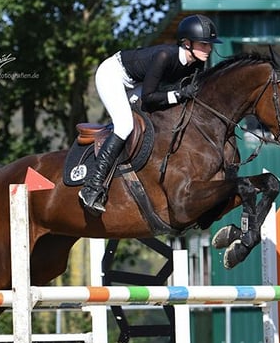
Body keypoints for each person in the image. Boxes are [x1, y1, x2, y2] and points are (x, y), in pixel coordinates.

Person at [78, 14, 222, 215]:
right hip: (113, 75)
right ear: (187, 43)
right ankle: (92, 187)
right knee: (124, 125)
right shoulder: (165, 56)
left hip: (139, 84)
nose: (209, 49)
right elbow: (149, 97)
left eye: (210, 45)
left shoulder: (197, 63)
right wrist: (179, 94)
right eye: (204, 44)